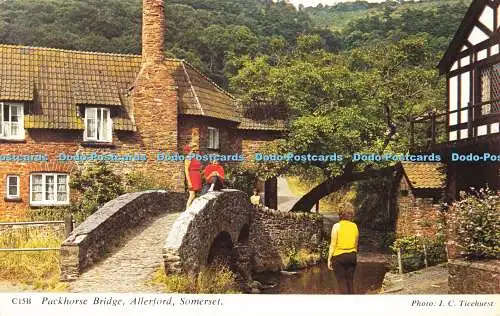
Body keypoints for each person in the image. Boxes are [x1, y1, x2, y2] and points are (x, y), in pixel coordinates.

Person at [327, 204, 359, 294]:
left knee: (342, 284)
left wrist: (329, 259)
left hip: (339, 257)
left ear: (340, 214)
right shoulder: (354, 226)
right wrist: (353, 255)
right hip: (352, 256)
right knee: (350, 283)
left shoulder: (336, 226)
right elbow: (356, 244)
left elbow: (332, 245)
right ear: (351, 214)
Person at [184, 143, 201, 210]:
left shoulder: (196, 157)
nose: (196, 152)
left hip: (197, 177)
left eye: (197, 150)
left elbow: (198, 168)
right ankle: (187, 210)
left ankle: (192, 209)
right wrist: (189, 182)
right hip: (191, 177)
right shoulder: (188, 158)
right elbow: (186, 170)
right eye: (194, 150)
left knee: (196, 195)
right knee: (192, 195)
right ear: (190, 150)